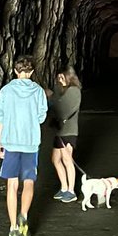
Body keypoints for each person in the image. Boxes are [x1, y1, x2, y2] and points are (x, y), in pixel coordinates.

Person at [0, 54, 48, 236]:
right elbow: (42, 117)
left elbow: (0, 117)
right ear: (32, 71)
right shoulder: (39, 91)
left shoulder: (6, 91)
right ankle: (24, 215)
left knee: (12, 184)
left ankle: (12, 227)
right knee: (29, 182)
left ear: (15, 70)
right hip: (30, 143)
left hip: (10, 142)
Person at [48, 67, 82, 203]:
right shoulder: (63, 91)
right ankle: (63, 187)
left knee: (67, 159)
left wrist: (51, 97)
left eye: (62, 77)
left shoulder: (74, 91)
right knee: (56, 159)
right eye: (58, 77)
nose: (59, 80)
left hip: (69, 131)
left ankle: (71, 191)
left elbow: (62, 110)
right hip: (60, 131)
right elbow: (57, 104)